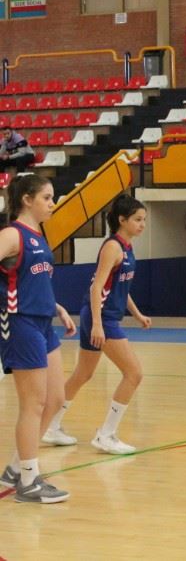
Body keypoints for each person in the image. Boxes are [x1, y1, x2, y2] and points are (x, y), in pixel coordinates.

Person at [44, 194, 151, 455]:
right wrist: (97, 325)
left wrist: (137, 314)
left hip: (100, 316)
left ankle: (51, 426)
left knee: (83, 373)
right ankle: (106, 434)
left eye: (144, 220)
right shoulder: (112, 247)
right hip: (102, 318)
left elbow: (120, 288)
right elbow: (96, 288)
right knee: (134, 373)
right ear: (122, 220)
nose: (142, 224)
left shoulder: (127, 247)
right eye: (138, 219)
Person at [0, 174, 77, 504]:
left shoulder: (38, 236)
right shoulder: (12, 234)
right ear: (27, 200)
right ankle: (29, 482)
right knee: (32, 404)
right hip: (21, 323)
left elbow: (32, 281)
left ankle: (14, 470)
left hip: (43, 321)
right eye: (47, 197)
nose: (52, 203)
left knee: (56, 398)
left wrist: (56, 307)